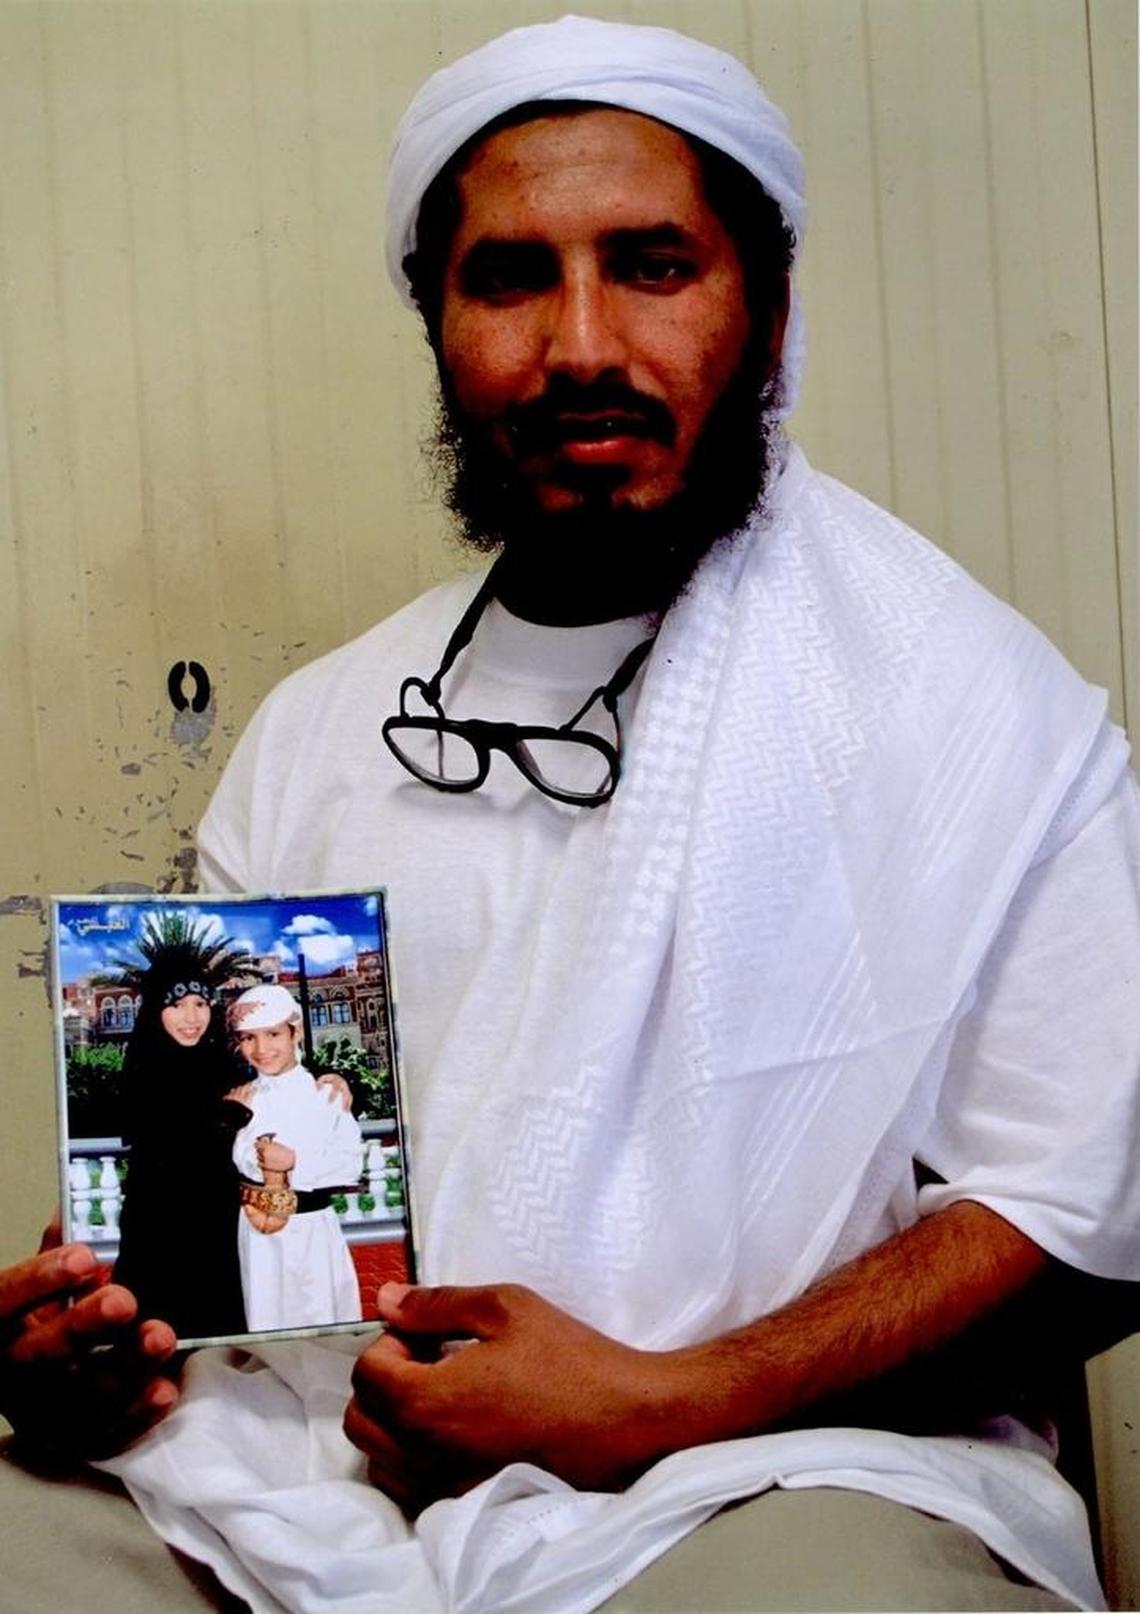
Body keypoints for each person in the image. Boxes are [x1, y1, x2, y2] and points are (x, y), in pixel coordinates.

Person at [0, 16, 1137, 1613]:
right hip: (316, 1468)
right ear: (438, 323)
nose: (583, 346)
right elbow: (241, 1207)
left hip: (787, 1472)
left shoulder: (974, 715)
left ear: (769, 306)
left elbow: (1080, 1212)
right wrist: (113, 1334)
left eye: (655, 264)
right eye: (512, 277)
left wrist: (658, 1405)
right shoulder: (322, 730)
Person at [111, 920, 252, 1343]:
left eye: (201, 1005)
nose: (192, 1019)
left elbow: (280, 1084)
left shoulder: (223, 1066)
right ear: (157, 1009)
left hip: (218, 1235)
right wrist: (226, 1116)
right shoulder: (143, 1070)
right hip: (161, 1240)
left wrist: (334, 1083)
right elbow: (163, 1144)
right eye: (178, 1005)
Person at [226, 984, 364, 1333]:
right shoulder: (241, 1099)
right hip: (257, 1234)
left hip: (312, 1229)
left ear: (296, 1032)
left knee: (320, 1317)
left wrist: (293, 1163)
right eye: (248, 1038)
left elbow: (350, 1163)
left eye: (273, 1034)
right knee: (265, 1317)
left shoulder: (325, 1094)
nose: (261, 1049)